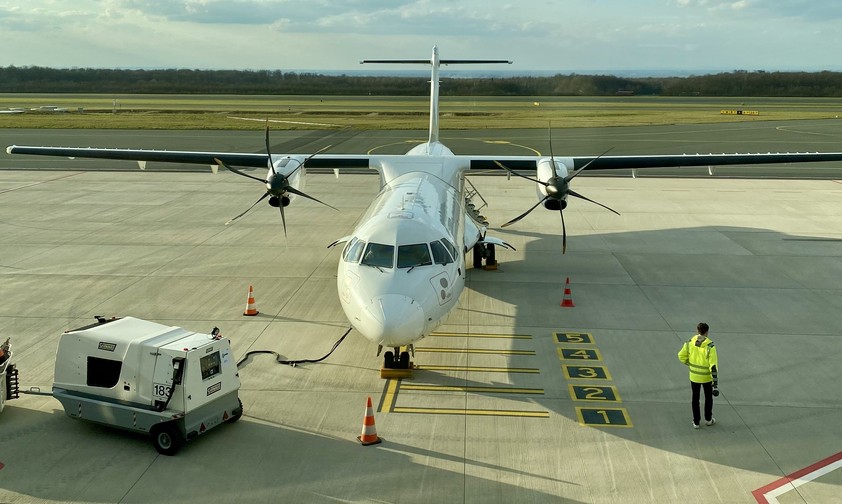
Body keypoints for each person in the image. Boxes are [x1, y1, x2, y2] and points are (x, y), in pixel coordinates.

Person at [677, 323, 718, 429]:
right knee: (708, 398)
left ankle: (696, 422)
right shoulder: (710, 346)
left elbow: (681, 356)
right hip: (706, 377)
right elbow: (713, 365)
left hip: (694, 376)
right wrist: (715, 381)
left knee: (695, 398)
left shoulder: (689, 343)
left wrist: (689, 364)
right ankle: (708, 419)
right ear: (707, 332)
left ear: (697, 331)